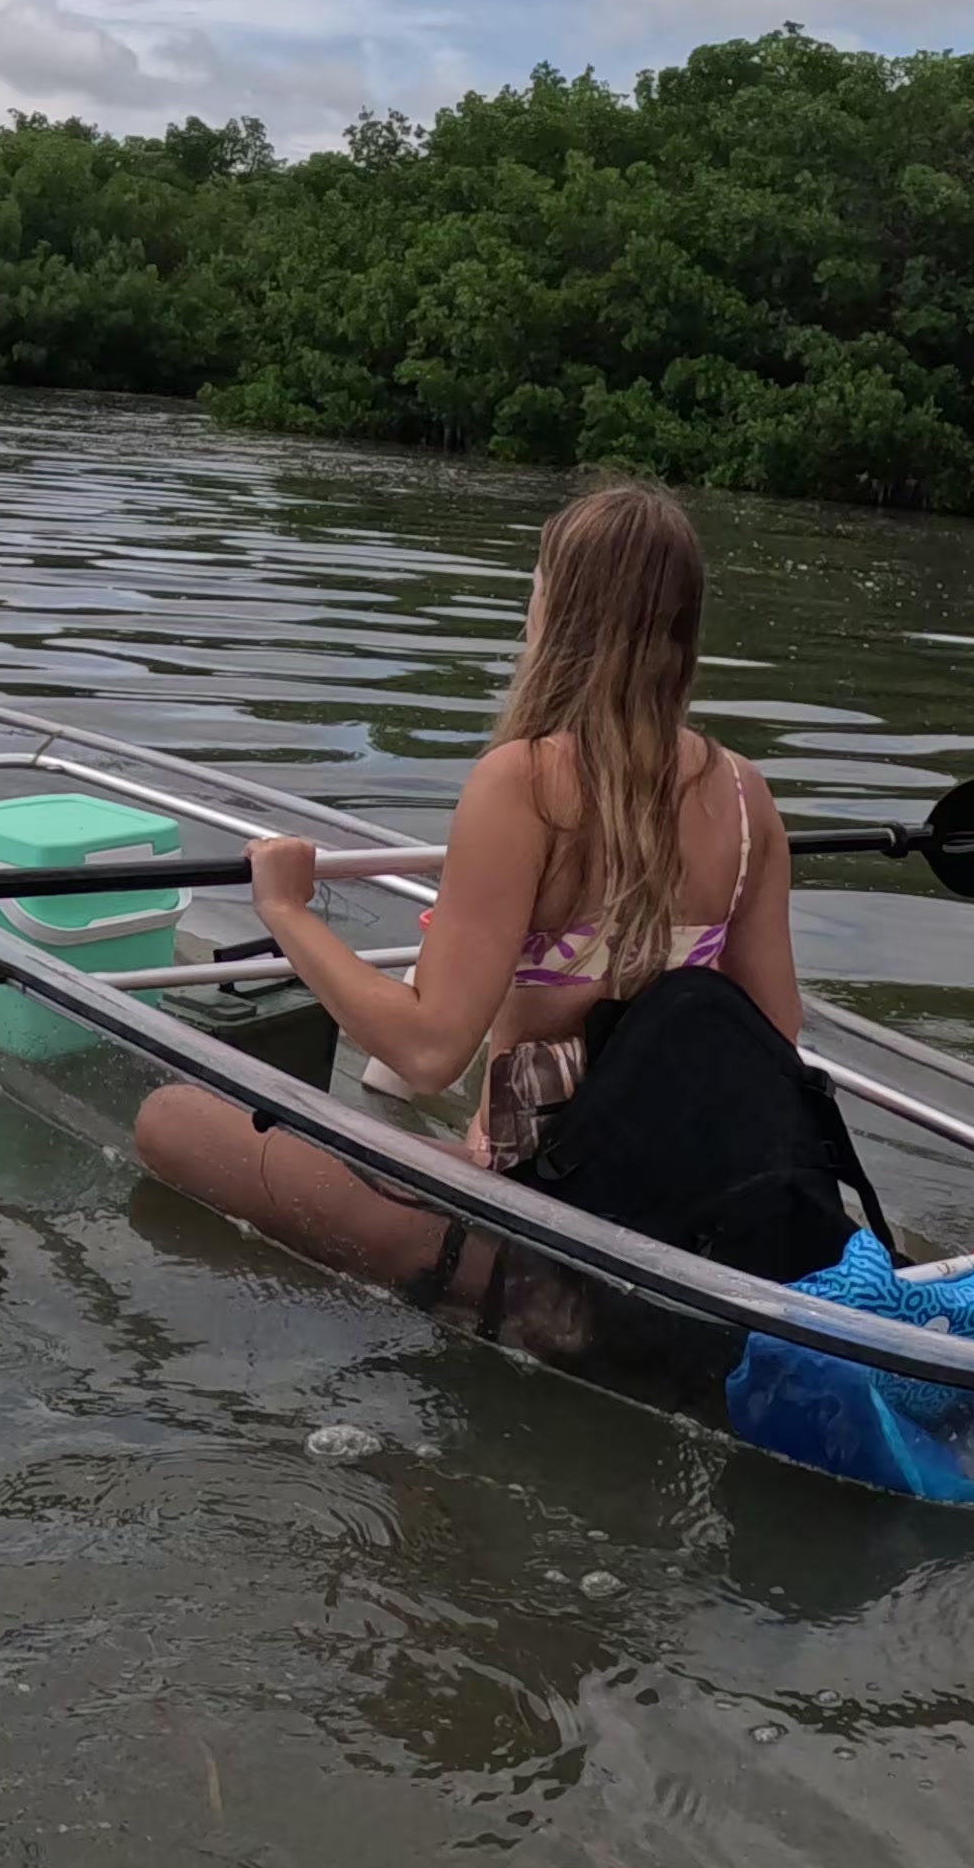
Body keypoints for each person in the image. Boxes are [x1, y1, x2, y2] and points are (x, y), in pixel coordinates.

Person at [131, 476, 800, 1306]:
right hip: (689, 1200)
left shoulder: (525, 783)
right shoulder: (745, 796)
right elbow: (775, 1036)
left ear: (562, 615)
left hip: (546, 1224)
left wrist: (287, 912)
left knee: (170, 1120)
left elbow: (427, 1050)